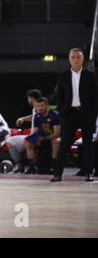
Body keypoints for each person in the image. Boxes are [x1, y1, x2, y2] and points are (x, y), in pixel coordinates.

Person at [51, 48, 98, 182]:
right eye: (73, 57)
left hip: (86, 114)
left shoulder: (90, 75)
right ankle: (57, 174)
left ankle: (89, 173)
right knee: (64, 143)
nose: (76, 60)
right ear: (69, 59)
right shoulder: (63, 75)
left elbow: (95, 97)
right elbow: (59, 96)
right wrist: (62, 111)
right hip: (69, 114)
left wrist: (93, 114)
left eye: (78, 57)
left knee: (88, 144)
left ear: (82, 59)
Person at [6, 89, 42, 173]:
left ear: (31, 98)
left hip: (38, 135)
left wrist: (28, 138)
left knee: (24, 141)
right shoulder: (35, 108)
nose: (28, 100)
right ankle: (20, 166)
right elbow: (33, 117)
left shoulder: (38, 108)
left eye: (28, 98)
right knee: (10, 141)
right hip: (33, 134)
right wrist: (23, 118)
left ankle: (31, 167)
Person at [25, 97, 61, 175]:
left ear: (47, 106)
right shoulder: (37, 116)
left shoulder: (55, 115)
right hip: (42, 138)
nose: (40, 108)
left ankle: (54, 165)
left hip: (52, 138)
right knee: (29, 142)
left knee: (56, 141)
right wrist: (32, 137)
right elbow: (35, 131)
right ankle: (32, 167)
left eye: (42, 105)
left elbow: (57, 133)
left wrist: (45, 138)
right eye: (38, 106)